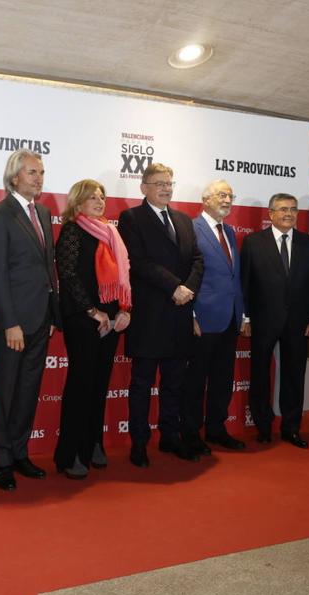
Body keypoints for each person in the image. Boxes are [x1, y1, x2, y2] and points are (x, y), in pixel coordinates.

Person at [118, 163, 204, 467]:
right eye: (159, 183)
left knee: (174, 383)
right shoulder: (131, 218)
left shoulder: (182, 219)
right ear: (143, 187)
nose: (166, 188)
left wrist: (188, 289)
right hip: (149, 317)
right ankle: (139, 444)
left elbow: (197, 259)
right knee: (142, 384)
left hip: (181, 314)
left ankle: (170, 437)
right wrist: (174, 287)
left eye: (169, 183)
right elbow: (138, 262)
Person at [0, 148, 61, 491]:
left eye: (41, 172)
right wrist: (10, 322)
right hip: (13, 324)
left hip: (40, 319)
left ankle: (19, 452)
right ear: (14, 177)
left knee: (29, 391)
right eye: (32, 172)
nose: (39, 178)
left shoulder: (43, 213)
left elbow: (48, 268)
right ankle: (1, 461)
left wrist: (52, 314)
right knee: (5, 393)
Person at [53, 179, 131, 479]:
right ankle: (70, 453)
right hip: (82, 317)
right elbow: (69, 275)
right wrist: (91, 311)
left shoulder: (111, 233)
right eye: (92, 198)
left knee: (100, 385)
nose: (99, 202)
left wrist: (124, 310)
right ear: (78, 202)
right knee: (81, 384)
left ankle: (93, 442)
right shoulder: (73, 230)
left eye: (102, 197)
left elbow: (123, 276)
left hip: (110, 318)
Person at [241, 193, 309, 448]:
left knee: (294, 376)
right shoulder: (253, 242)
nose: (289, 214)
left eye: (293, 209)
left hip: (299, 322)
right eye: (283, 209)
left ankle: (291, 428)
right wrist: (246, 317)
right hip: (263, 320)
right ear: (271, 214)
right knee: (259, 376)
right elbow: (244, 284)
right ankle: (263, 427)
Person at [185, 180, 246, 453]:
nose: (227, 199)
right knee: (196, 381)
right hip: (204, 318)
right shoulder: (192, 228)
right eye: (222, 195)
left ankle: (216, 429)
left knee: (222, 379)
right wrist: (192, 313)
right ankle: (191, 433)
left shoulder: (230, 232)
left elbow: (234, 277)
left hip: (230, 318)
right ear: (206, 199)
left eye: (230, 195)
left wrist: (243, 315)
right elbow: (187, 273)